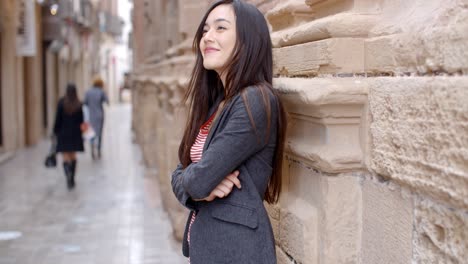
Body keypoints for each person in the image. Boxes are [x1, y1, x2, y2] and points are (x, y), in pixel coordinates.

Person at [171, 0, 287, 263]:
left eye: (220, 28)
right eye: (204, 31)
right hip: (211, 248)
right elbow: (182, 172)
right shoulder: (218, 104)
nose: (207, 37)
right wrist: (197, 181)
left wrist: (197, 180)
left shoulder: (255, 100)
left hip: (236, 251)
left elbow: (196, 179)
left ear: (248, 41)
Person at [53, 83, 84, 189]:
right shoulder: (79, 104)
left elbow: (58, 119)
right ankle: (72, 177)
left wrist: (55, 131)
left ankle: (68, 175)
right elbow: (81, 121)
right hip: (75, 133)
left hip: (63, 133)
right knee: (73, 156)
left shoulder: (61, 103)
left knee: (65, 156)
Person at [84, 77, 109, 159]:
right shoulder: (101, 92)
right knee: (99, 133)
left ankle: (92, 150)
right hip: (99, 115)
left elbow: (85, 103)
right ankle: (98, 150)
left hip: (91, 116)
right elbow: (107, 101)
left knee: (91, 133)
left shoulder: (88, 92)